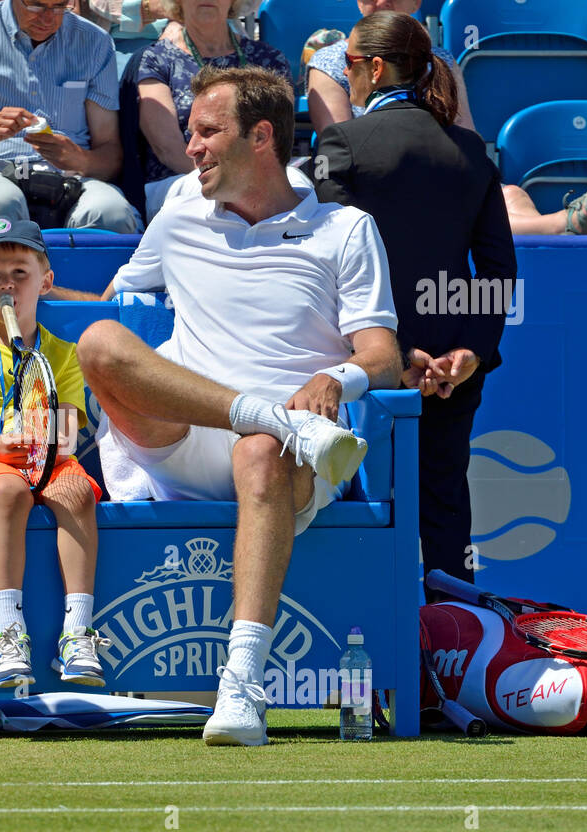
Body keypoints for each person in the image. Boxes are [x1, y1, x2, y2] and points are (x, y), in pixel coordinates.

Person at [76, 66, 402, 746]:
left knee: (260, 449)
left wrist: (338, 380)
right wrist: (6, 286)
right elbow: (114, 306)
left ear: (260, 137)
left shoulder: (345, 229)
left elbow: (382, 355)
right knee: (101, 342)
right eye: (190, 132)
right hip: (191, 438)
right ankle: (264, 415)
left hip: (291, 454)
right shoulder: (176, 212)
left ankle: (242, 682)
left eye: (205, 132)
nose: (189, 147)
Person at [312, 11, 514, 585]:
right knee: (445, 506)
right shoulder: (471, 149)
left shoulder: (340, 143)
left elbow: (323, 260)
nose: (343, 74)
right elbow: (499, 268)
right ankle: (454, 651)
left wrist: (394, 357)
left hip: (363, 362)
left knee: (358, 508)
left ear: (374, 69)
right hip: (451, 365)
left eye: (347, 64)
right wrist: (468, 354)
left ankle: (368, 647)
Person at [0, 216, 108, 688]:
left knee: (78, 492)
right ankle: (10, 631)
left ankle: (77, 633)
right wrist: (2, 444)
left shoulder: (65, 353)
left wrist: (43, 445)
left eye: (19, 272)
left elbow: (69, 432)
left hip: (50, 454)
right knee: (10, 492)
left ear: (46, 281)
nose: (7, 284)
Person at [306, 0, 587, 235]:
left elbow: (465, 139)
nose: (381, 5)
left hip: (438, 174)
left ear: (416, 2)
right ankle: (565, 223)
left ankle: (565, 228)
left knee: (513, 195)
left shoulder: (439, 60)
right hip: (378, 184)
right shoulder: (333, 62)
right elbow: (343, 146)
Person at [0, 0, 141, 238]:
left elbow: (111, 158)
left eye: (60, 6)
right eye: (36, 6)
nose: (48, 18)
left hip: (70, 180)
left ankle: (86, 276)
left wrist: (80, 159)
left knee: (112, 212)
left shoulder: (94, 42)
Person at [137, 0, 290, 217]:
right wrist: (224, 175)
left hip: (257, 176)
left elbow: (279, 138)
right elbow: (167, 148)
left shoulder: (269, 60)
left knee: (296, 181)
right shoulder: (156, 59)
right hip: (183, 178)